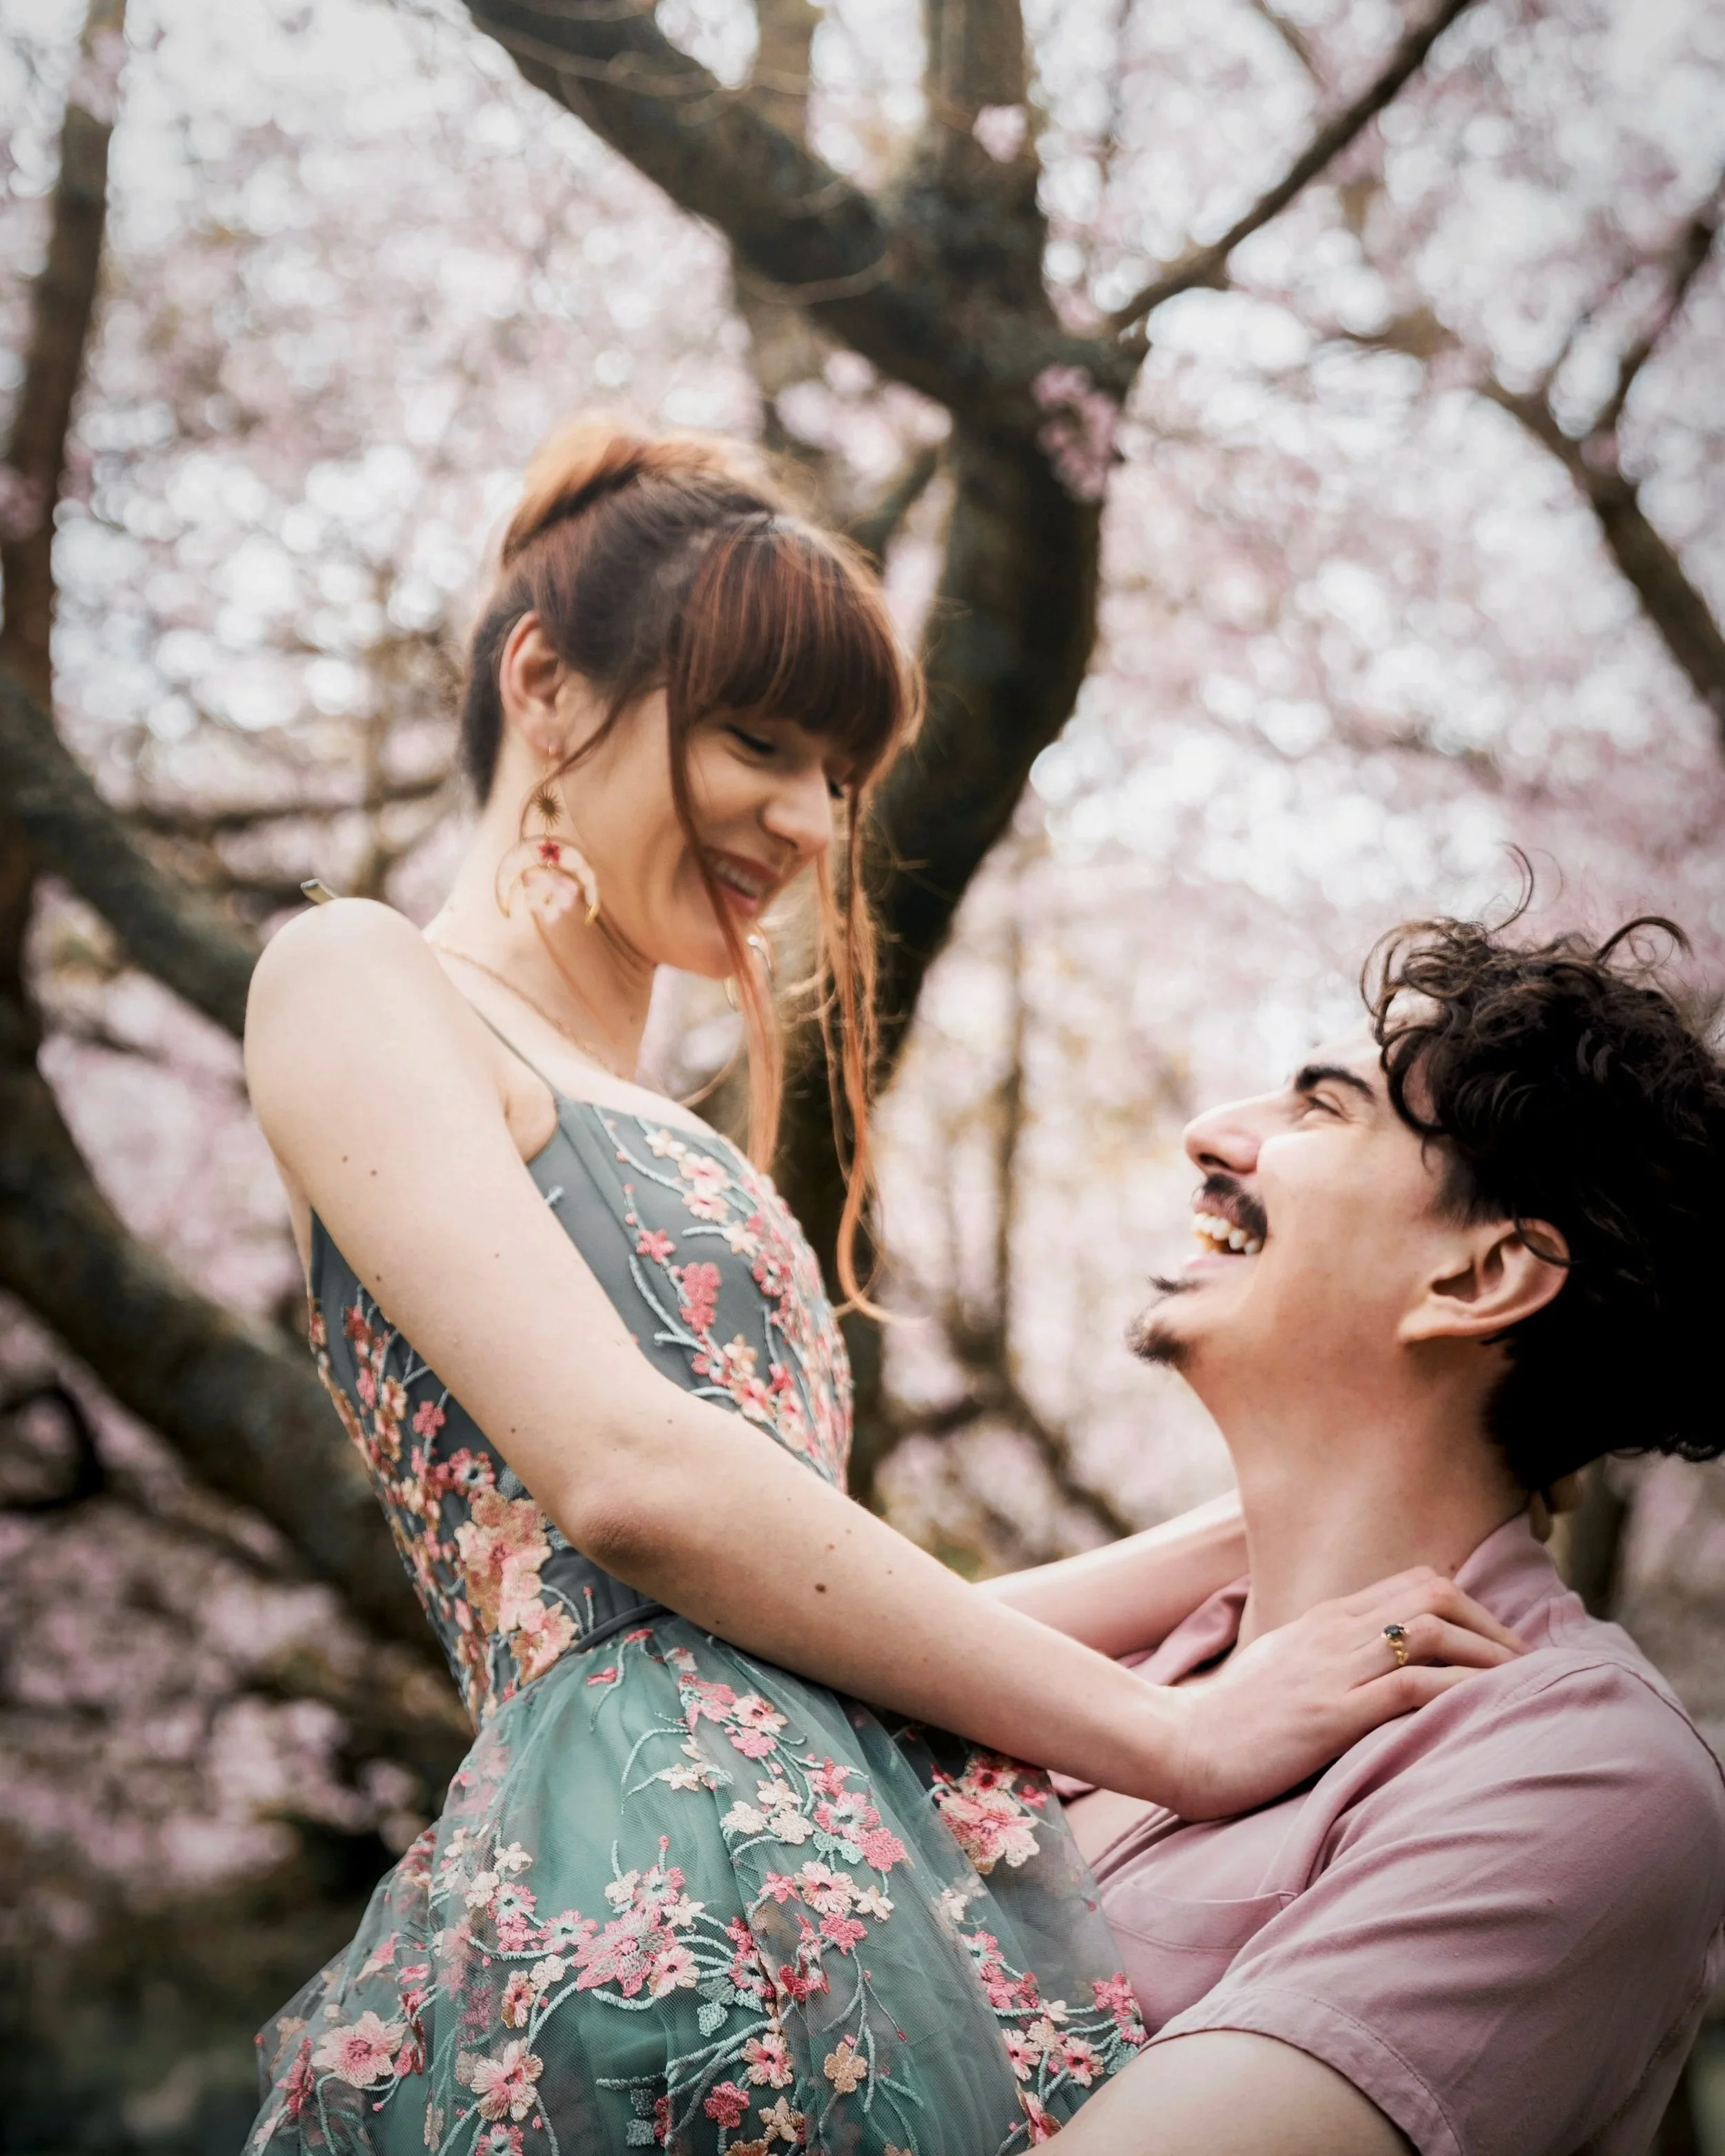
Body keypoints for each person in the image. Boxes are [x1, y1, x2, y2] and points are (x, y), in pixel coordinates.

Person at [242, 419, 1518, 2155]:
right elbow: (636, 1486)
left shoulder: (636, 1098)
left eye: (837, 774)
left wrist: (1297, 1528)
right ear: (543, 684)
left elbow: (818, 1598)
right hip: (653, 1901)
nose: (810, 822)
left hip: (849, 1875)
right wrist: (1179, 1735)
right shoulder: (353, 974)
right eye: (757, 742)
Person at [1046, 911, 1725, 2156]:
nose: (1213, 1132)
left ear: (1477, 1279)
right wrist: (1217, 1552)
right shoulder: (1145, 1654)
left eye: (1321, 1109)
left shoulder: (1581, 1774)